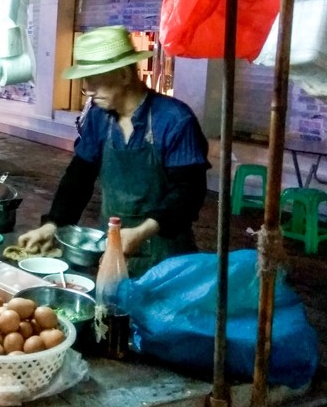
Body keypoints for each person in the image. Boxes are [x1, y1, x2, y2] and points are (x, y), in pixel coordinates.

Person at [17, 25, 210, 277]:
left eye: (94, 79)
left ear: (124, 75)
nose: (88, 89)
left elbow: (189, 192)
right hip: (111, 249)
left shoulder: (174, 119)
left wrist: (142, 231)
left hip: (167, 258)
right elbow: (78, 178)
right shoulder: (99, 118)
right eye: (85, 80)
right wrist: (54, 224)